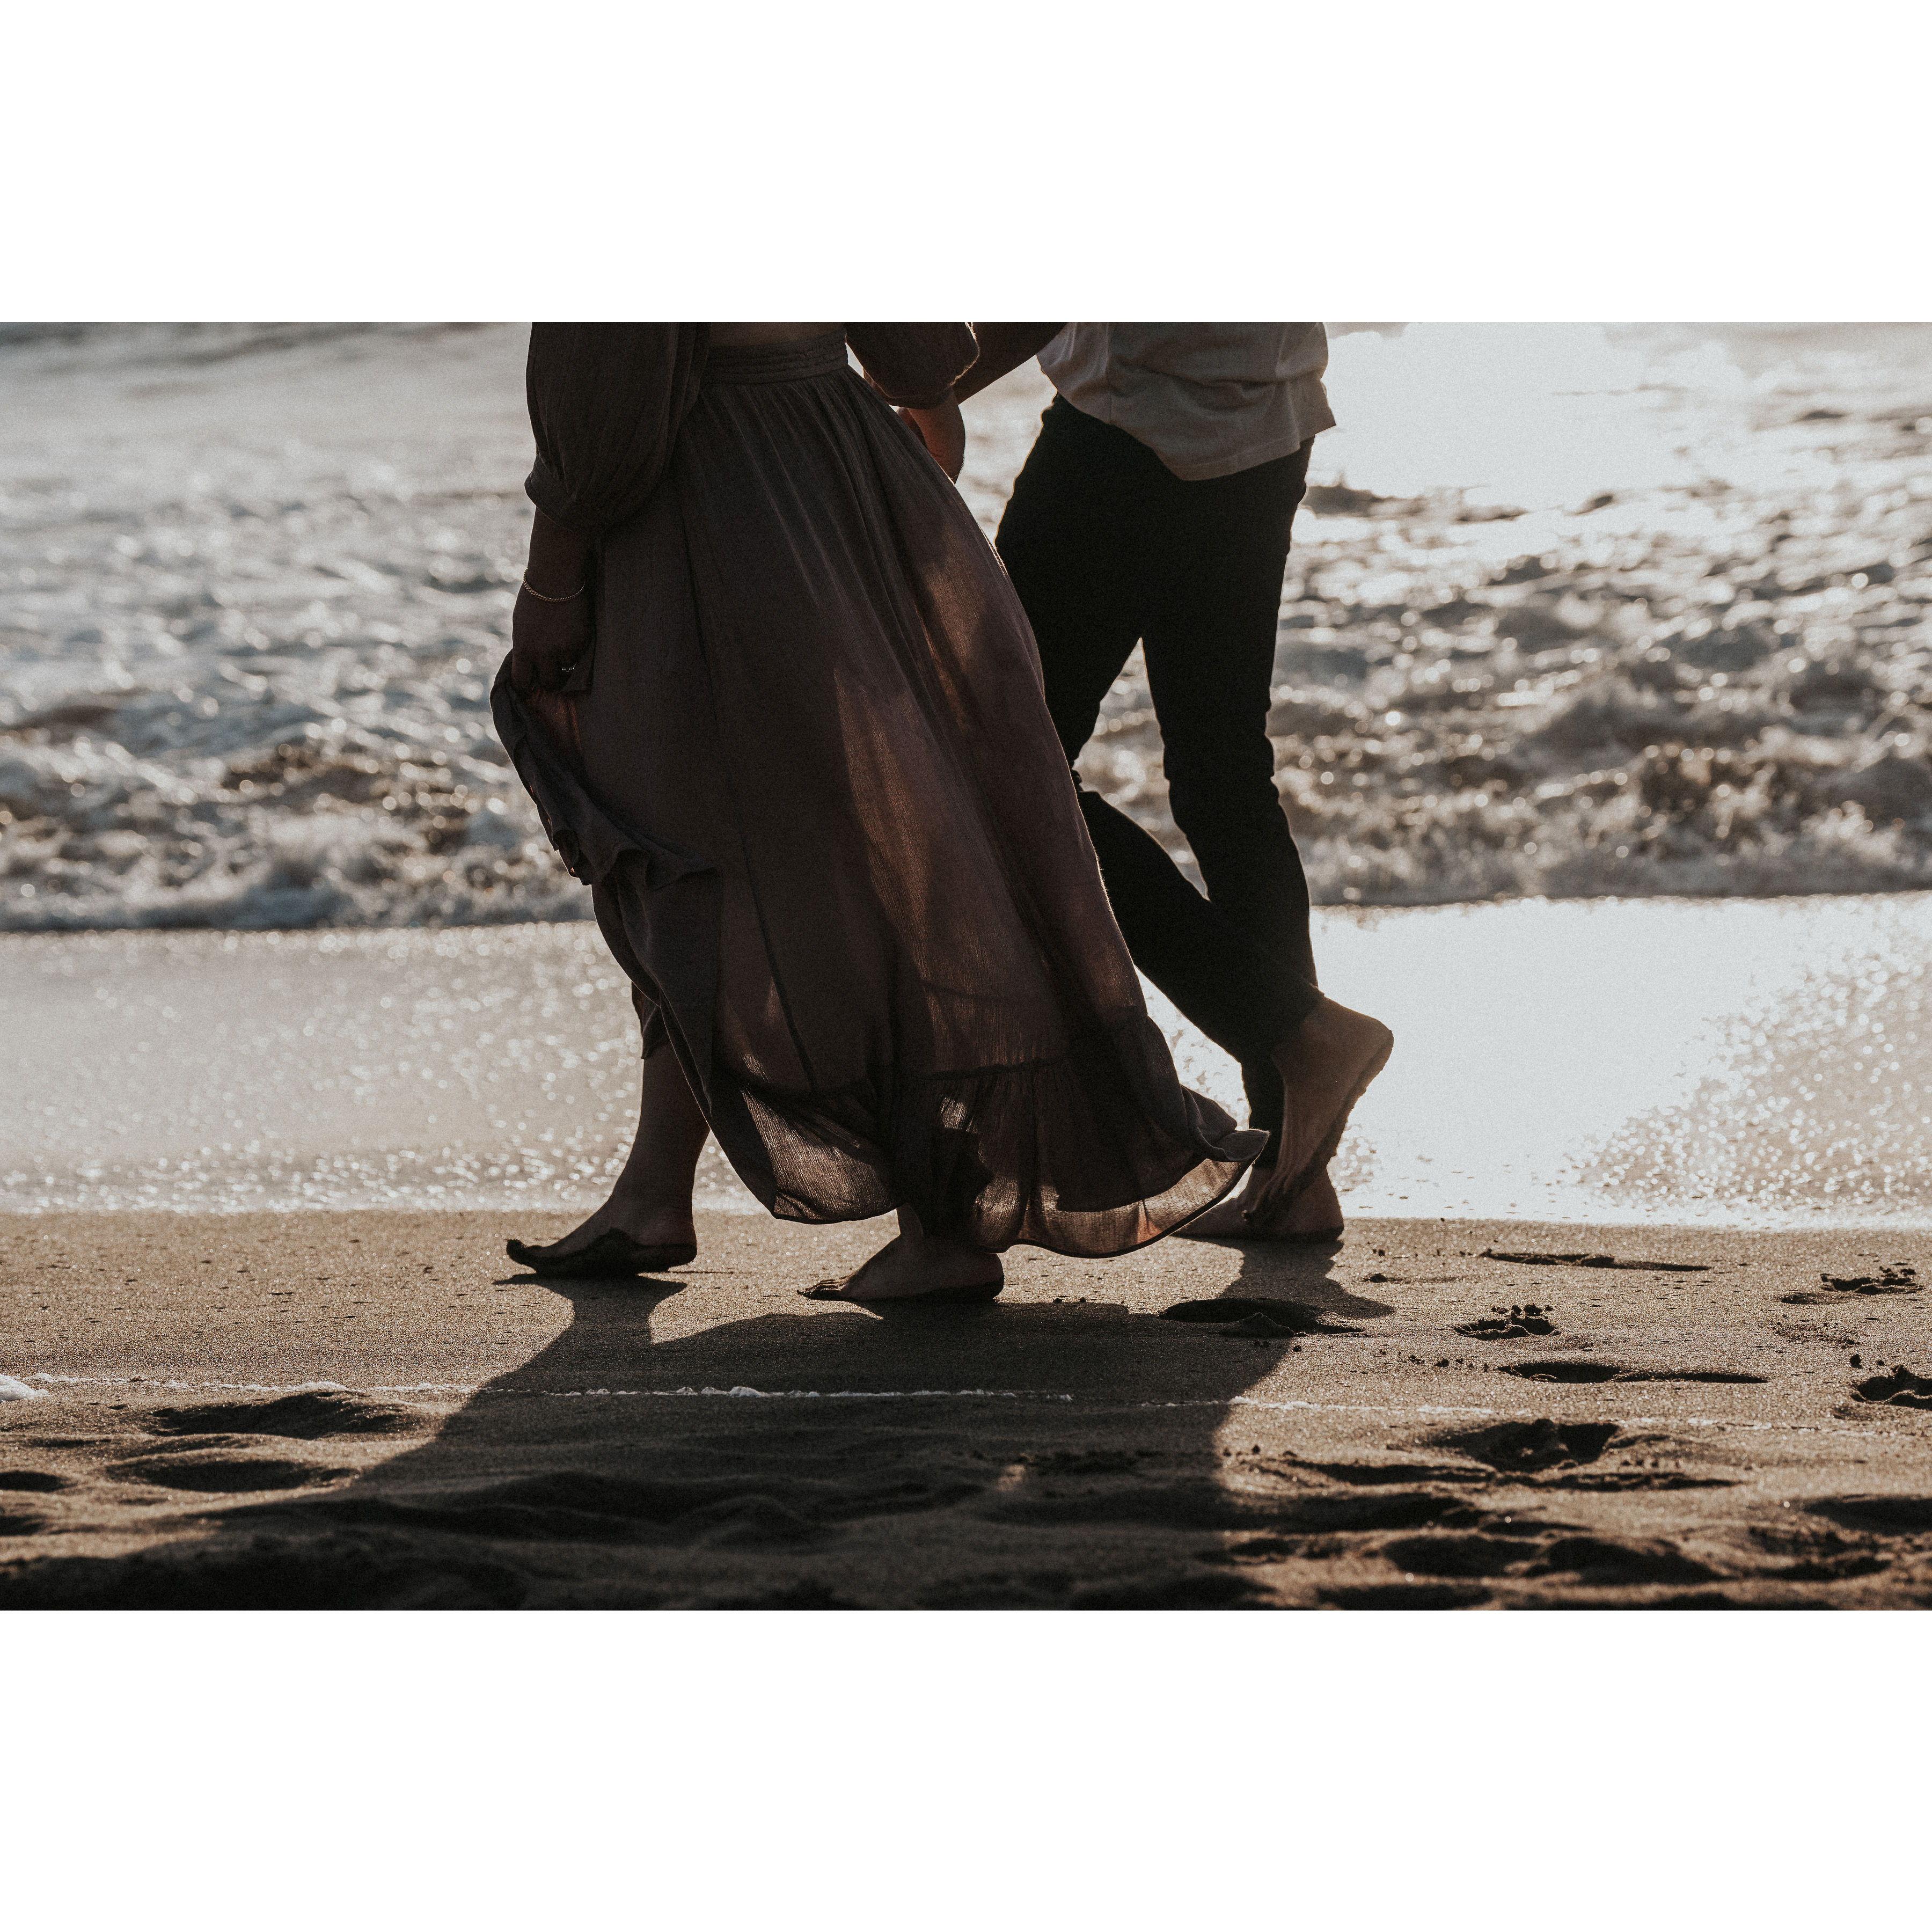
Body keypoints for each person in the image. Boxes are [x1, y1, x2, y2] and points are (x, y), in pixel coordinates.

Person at [492, 322, 1274, 1304]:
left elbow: (603, 386)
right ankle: (661, 1191)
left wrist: (550, 577)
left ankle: (936, 1221)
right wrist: (917, 406)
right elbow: (918, 344)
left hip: (709, 495)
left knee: (686, 854)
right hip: (846, 471)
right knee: (818, 847)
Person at [955, 324, 1391, 1241]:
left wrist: (905, 384)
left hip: (1127, 435)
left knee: (997, 773)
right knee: (1225, 781)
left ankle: (1298, 1030)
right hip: (1265, 422)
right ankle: (1293, 1169)